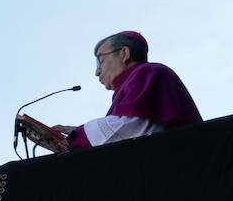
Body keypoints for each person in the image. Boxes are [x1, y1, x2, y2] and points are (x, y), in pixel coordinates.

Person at [60, 31, 201, 148]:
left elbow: (132, 127)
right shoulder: (132, 82)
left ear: (124, 53)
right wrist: (77, 133)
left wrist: (78, 135)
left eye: (100, 61)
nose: (97, 72)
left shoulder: (148, 72)